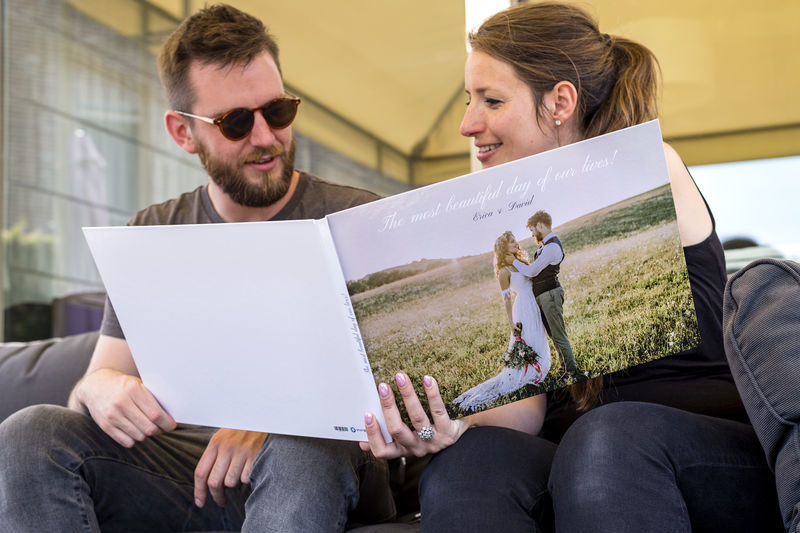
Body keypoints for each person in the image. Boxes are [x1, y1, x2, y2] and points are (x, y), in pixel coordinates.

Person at [361, 2, 783, 532]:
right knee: (472, 462)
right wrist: (445, 424)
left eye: (491, 100)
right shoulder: (508, 225)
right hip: (577, 453)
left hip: (701, 449)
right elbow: (526, 409)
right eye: (470, 101)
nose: (469, 124)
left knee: (605, 437)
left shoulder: (650, 166)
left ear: (560, 100)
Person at [0, 5, 396, 532]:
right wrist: (99, 389)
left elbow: (395, 387)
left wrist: (275, 424)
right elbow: (91, 385)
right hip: (191, 474)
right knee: (31, 431)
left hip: (327, 462)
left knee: (297, 446)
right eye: (235, 122)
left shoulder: (356, 219)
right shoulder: (153, 232)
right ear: (183, 133)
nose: (264, 137)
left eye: (277, 111)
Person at [453, 231, 550, 411]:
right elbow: (506, 299)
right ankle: (528, 374)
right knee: (528, 338)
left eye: (515, 241)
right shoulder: (504, 272)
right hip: (522, 307)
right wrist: (511, 323)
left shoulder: (520, 263)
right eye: (512, 242)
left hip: (534, 303)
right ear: (504, 247)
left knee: (539, 335)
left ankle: (539, 367)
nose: (516, 243)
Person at [511, 210, 582, 380]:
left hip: (550, 294)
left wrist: (512, 261)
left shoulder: (552, 247)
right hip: (543, 295)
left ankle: (572, 371)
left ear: (540, 225)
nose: (532, 233)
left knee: (559, 334)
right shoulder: (545, 246)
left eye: (532, 229)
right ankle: (564, 366)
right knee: (552, 335)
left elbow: (533, 271)